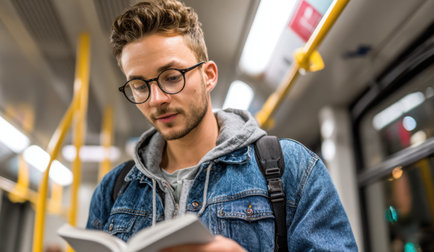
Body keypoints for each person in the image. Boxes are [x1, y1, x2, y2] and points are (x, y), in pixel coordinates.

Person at [86, 0, 358, 251]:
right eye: (139, 86)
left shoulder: (292, 169)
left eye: (171, 77)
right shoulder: (114, 189)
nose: (156, 100)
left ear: (208, 76)